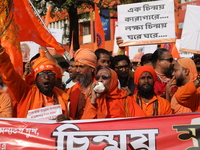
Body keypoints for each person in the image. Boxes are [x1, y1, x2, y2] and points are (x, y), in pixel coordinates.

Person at [0, 44, 69, 118]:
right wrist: (2, 53)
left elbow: (73, 123)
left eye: (50, 74)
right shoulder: (26, 92)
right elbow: (10, 75)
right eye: (42, 74)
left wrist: (67, 120)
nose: (46, 77)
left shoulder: (63, 97)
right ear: (35, 78)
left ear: (55, 78)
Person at [81, 67, 146, 119]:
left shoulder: (126, 100)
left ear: (113, 80)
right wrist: (93, 99)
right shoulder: (93, 100)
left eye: (105, 77)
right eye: (97, 78)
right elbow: (85, 123)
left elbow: (140, 121)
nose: (100, 80)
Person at [66, 48, 97, 119]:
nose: (77, 70)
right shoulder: (73, 90)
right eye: (76, 67)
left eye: (81, 67)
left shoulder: (100, 87)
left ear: (92, 69)